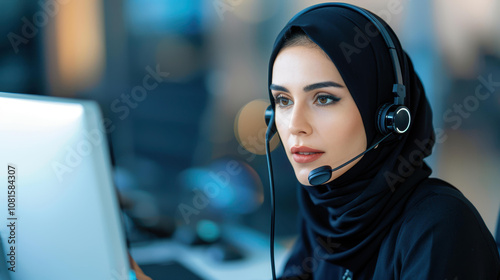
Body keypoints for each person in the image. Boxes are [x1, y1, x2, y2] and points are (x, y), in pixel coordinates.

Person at [266, 3, 500, 279]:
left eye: (324, 98)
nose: (294, 125)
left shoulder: (440, 226)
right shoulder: (325, 208)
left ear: (387, 116)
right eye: (283, 100)